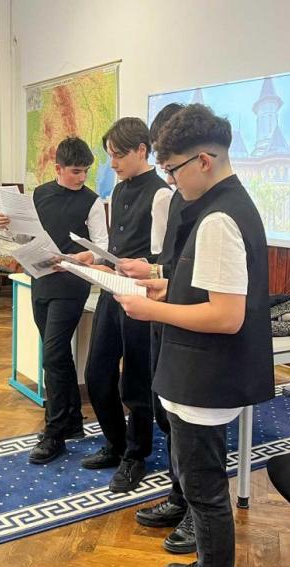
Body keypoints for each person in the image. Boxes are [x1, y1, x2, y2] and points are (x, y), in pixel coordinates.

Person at [116, 105, 274, 567]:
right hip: (199, 372)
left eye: (172, 170)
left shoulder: (219, 218)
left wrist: (151, 309)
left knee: (204, 493)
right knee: (199, 484)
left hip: (206, 376)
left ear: (204, 160)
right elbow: (206, 288)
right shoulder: (222, 206)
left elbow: (226, 315)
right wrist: (165, 285)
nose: (170, 180)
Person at [0, 137, 108, 465]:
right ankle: (72, 420)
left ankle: (54, 432)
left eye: (85, 171)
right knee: (57, 355)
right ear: (58, 168)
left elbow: (102, 246)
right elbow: (24, 236)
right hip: (40, 278)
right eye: (75, 171)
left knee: (53, 354)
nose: (81, 177)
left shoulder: (92, 201)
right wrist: (6, 225)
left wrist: (79, 258)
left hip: (72, 283)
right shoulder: (40, 194)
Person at [80, 117, 172, 494]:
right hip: (112, 290)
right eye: (110, 156)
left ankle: (136, 454)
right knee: (97, 372)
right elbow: (118, 248)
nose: (113, 163)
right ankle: (116, 443)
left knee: (136, 380)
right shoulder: (117, 191)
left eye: (118, 155)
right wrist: (97, 260)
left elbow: (163, 258)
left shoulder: (162, 195)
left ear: (141, 150)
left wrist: (140, 269)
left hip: (143, 296)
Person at [126, 104, 199, 553]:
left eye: (170, 164)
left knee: (192, 429)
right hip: (165, 316)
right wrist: (149, 272)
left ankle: (195, 510)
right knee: (166, 414)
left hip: (190, 326)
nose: (167, 174)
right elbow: (172, 265)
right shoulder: (173, 200)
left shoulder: (214, 208)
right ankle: (178, 494)